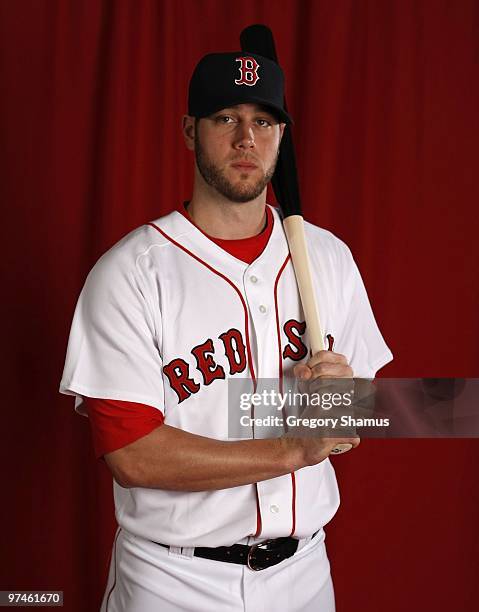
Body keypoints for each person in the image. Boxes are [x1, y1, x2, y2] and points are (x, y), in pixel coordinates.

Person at [60, 50, 392, 612]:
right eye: (225, 118)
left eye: (263, 121)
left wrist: (343, 403)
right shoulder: (131, 273)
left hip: (305, 574)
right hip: (174, 580)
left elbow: (353, 420)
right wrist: (292, 449)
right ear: (190, 131)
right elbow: (132, 453)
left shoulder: (327, 258)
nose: (246, 139)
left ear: (281, 135)